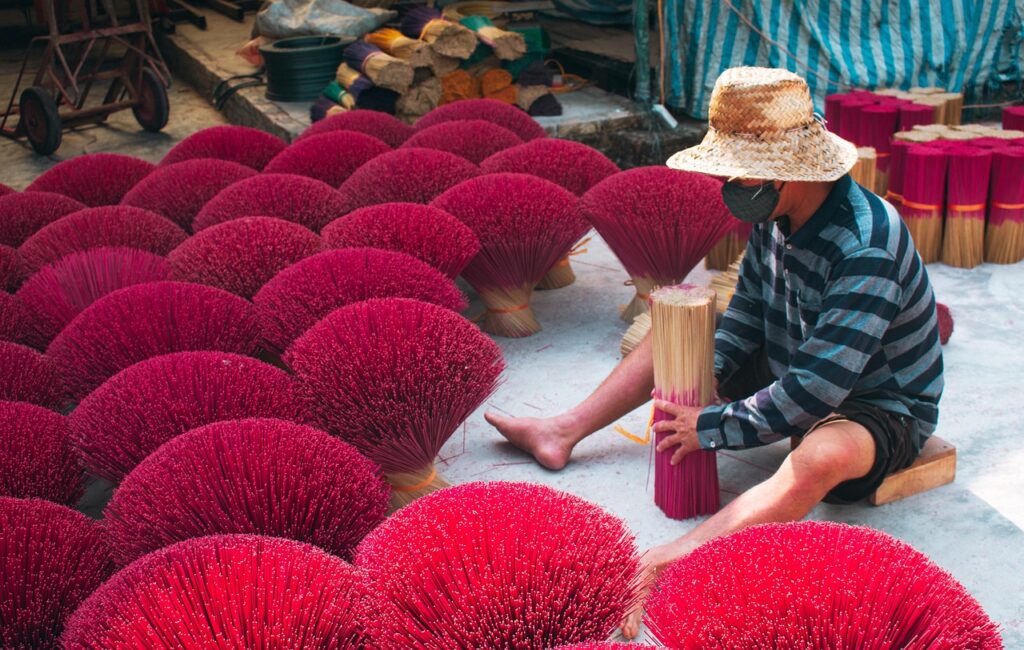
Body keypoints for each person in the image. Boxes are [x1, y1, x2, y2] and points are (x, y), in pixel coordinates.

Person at [485, 67, 944, 639]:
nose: (728, 179)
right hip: (793, 357)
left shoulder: (865, 244)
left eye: (738, 167)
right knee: (676, 326)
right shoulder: (777, 216)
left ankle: (672, 561)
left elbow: (817, 390)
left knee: (817, 459)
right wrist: (704, 373)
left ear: (789, 170)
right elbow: (748, 312)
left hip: (876, 401)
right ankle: (562, 430)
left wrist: (713, 425)